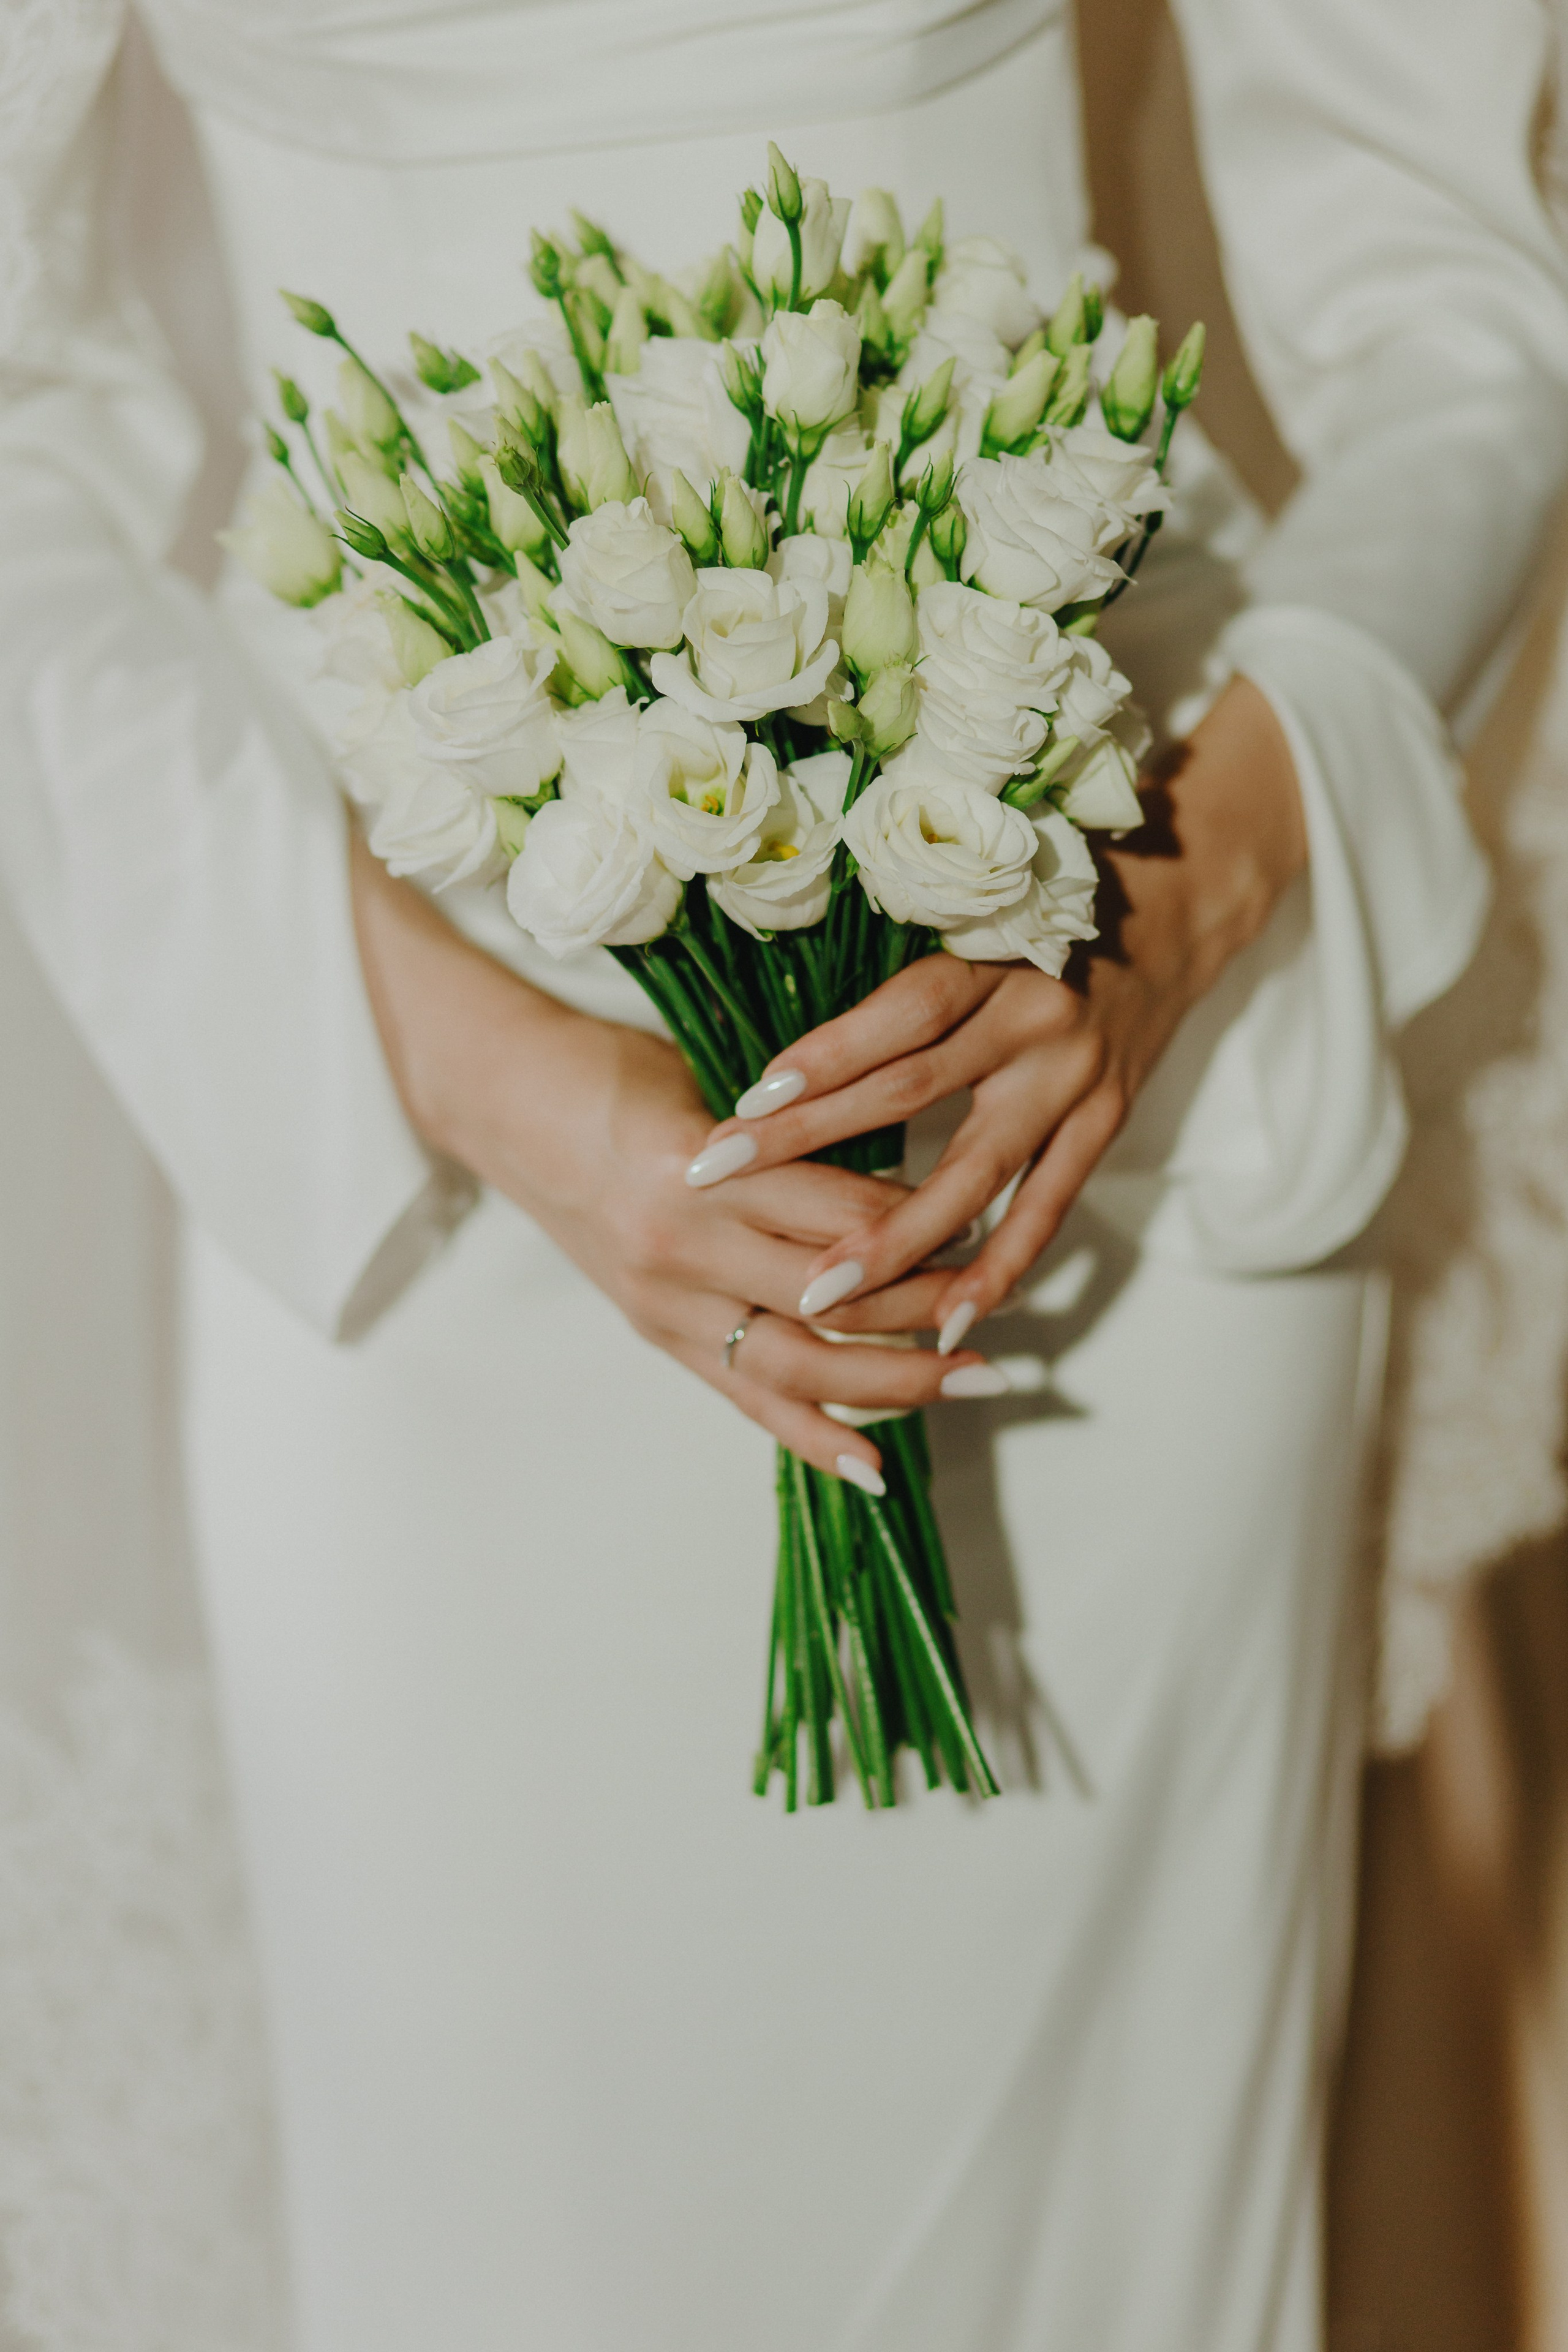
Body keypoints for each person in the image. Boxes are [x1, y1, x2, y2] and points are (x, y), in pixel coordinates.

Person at [2, 1, 1565, 2346]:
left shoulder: (1130, 967)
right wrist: (509, 1087)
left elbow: (1463, 302)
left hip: (1077, 1093)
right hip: (405, 1140)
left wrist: (1170, 911)